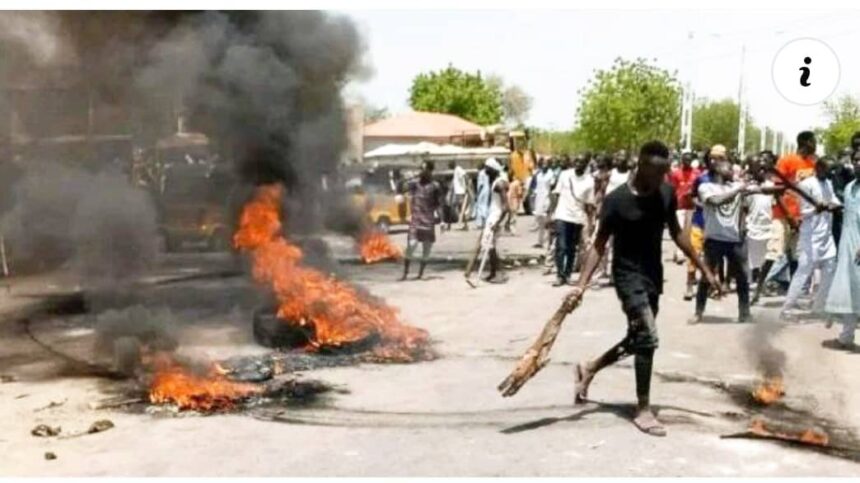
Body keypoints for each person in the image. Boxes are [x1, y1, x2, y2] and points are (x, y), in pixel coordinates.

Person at [567, 141, 720, 437]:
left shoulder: (665, 192)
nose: (661, 179)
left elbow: (677, 234)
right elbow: (599, 244)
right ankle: (643, 408)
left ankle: (589, 367)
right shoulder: (616, 200)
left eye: (665, 172)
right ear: (641, 166)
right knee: (648, 337)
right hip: (626, 277)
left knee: (638, 339)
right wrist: (581, 285)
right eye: (656, 173)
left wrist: (705, 270)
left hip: (652, 276)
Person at [693, 144, 762, 324]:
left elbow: (759, 190)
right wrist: (738, 190)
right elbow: (715, 201)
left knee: (742, 278)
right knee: (706, 277)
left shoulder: (737, 185)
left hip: (735, 240)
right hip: (714, 239)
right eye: (728, 167)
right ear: (717, 169)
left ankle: (744, 312)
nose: (732, 170)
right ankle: (698, 312)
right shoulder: (706, 187)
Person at [780, 157, 841, 319]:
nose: (831, 173)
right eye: (829, 169)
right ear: (819, 168)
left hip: (826, 237)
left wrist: (837, 205)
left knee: (829, 270)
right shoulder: (806, 185)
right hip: (810, 237)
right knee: (803, 273)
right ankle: (786, 309)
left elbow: (833, 200)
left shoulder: (828, 183)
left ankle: (819, 307)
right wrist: (817, 209)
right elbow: (802, 213)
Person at [824, 151, 860, 351]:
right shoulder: (849, 188)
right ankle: (846, 337)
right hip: (848, 250)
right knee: (850, 293)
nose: (857, 163)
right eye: (855, 160)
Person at [550, 154, 595, 286]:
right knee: (561, 246)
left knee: (571, 247)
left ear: (586, 165)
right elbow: (556, 193)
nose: (578, 164)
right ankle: (560, 274)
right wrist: (552, 213)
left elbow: (589, 203)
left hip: (577, 216)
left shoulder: (589, 181)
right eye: (576, 161)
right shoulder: (565, 175)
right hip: (562, 214)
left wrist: (590, 222)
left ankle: (568, 274)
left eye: (581, 162)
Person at [400, 161, 443, 281]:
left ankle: (421, 273)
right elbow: (402, 188)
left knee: (426, 248)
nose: (422, 171)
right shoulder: (414, 184)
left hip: (428, 220)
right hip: (416, 219)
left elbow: (439, 204)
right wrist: (407, 179)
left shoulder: (435, 186)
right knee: (411, 246)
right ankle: (405, 272)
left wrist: (442, 220)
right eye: (421, 169)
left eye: (424, 169)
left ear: (430, 171)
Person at [744, 156, 777, 281]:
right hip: (752, 228)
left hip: (768, 228)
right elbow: (745, 209)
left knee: (766, 258)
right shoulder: (748, 188)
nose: (761, 171)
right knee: (752, 261)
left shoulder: (772, 186)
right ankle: (751, 283)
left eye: (764, 168)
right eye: (758, 168)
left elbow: (774, 205)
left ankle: (761, 283)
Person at [668, 151, 701, 271]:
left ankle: (690, 252)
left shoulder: (697, 174)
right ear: (682, 160)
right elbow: (672, 188)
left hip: (693, 206)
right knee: (680, 229)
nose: (686, 162)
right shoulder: (676, 174)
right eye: (684, 160)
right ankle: (680, 254)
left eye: (689, 160)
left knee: (690, 231)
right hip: (679, 206)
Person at [479, 158, 510, 283]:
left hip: (496, 216)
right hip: (492, 215)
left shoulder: (499, 184)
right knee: (489, 246)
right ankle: (494, 272)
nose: (485, 171)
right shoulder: (495, 182)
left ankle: (499, 273)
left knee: (489, 245)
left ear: (492, 169)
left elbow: (506, 207)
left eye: (487, 168)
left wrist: (498, 222)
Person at [531, 158, 555, 249]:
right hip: (539, 199)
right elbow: (536, 187)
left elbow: (552, 187)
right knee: (540, 222)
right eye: (543, 163)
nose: (544, 165)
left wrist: (552, 203)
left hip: (547, 199)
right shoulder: (539, 175)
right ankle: (540, 242)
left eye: (546, 163)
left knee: (548, 222)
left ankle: (550, 242)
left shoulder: (551, 174)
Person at [448, 160, 470, 231]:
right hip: (458, 192)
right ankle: (465, 225)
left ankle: (449, 225)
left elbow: (466, 176)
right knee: (460, 209)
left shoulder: (458, 169)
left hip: (460, 192)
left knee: (453, 207)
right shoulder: (455, 170)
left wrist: (467, 186)